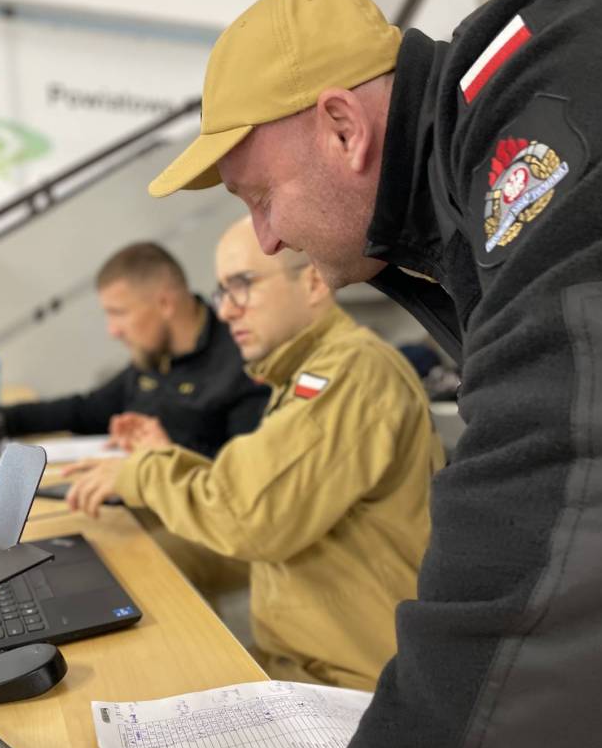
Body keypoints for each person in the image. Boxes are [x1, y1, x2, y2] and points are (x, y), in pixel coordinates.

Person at [137, 0, 602, 748]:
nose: (267, 237)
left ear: (342, 127)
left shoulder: (550, 96)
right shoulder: (469, 181)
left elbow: (573, 500)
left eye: (260, 196)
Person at [66, 216, 442, 690]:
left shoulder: (350, 372)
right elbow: (258, 488)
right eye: (222, 292)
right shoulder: (306, 371)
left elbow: (246, 515)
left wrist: (141, 473)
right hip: (300, 661)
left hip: (345, 682)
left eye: (242, 285)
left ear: (312, 282)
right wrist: (160, 459)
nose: (226, 311)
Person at [0, 242, 268, 459]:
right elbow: (85, 410)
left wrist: (162, 455)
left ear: (164, 303)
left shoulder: (244, 364)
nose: (112, 330)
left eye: (119, 313)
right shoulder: (154, 356)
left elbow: (239, 478)